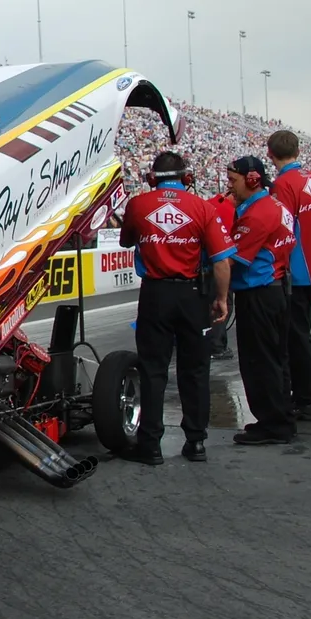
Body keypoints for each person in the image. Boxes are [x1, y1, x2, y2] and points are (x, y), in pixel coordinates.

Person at [116, 152, 234, 464]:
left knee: (153, 369)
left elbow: (127, 241)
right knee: (195, 369)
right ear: (187, 178)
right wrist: (220, 299)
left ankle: (151, 446)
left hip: (155, 293)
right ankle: (196, 442)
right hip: (192, 294)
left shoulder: (138, 204)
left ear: (151, 178)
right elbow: (222, 262)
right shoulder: (202, 207)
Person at [266, 130, 311, 423]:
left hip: (297, 268)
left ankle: (306, 399)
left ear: (270, 154)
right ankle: (302, 395)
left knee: (295, 337)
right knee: (300, 332)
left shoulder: (283, 184)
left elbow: (281, 227)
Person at [225, 156, 296, 446]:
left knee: (259, 361)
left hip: (258, 292)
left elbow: (231, 259)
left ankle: (274, 424)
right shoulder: (277, 206)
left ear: (252, 180)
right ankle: (279, 417)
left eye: (233, 181)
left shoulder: (256, 214)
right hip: (276, 288)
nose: (230, 188)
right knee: (276, 359)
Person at [206, 190, 237, 360]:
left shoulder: (209, 203)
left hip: (201, 263)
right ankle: (216, 346)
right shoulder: (231, 211)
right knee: (223, 303)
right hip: (218, 263)